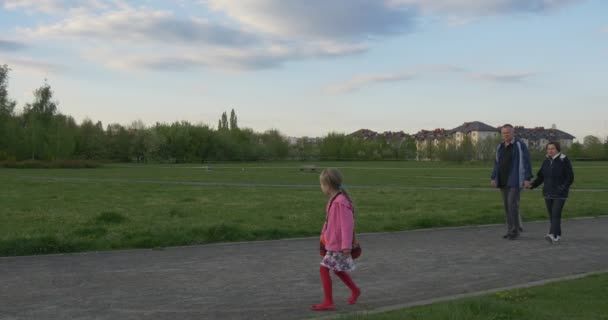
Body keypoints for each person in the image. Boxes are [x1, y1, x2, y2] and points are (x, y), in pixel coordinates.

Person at [311, 168, 361, 311]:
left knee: (324, 269)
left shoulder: (340, 202)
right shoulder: (334, 200)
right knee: (338, 270)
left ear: (327, 185)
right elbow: (329, 222)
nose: (321, 187)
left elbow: (347, 225)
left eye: (321, 184)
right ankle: (355, 291)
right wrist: (323, 236)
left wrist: (346, 245)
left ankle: (328, 302)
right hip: (332, 243)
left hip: (339, 245)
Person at [491, 124, 533, 240]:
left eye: (508, 132)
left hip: (515, 180)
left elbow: (526, 162)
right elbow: (496, 163)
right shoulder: (500, 147)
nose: (505, 135)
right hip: (503, 180)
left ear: (513, 132)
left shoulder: (519, 145)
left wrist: (527, 178)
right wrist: (494, 177)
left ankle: (515, 231)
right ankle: (510, 230)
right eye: (503, 133)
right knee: (506, 206)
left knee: (512, 205)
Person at [528, 142, 574, 243]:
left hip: (560, 193)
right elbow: (541, 177)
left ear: (557, 149)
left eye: (552, 148)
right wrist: (532, 185)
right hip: (548, 192)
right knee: (552, 215)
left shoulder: (564, 160)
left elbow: (570, 177)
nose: (550, 151)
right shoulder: (546, 161)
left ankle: (552, 234)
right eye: (548, 149)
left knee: (555, 214)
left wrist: (562, 188)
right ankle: (557, 235)